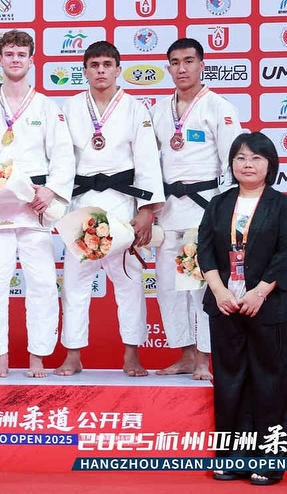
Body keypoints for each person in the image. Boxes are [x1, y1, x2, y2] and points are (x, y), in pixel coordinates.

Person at [197, 132, 287, 486]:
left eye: (256, 158)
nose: (248, 164)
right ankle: (233, 457)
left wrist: (259, 292)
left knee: (271, 385)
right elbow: (205, 250)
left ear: (270, 164)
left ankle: (270, 461)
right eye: (241, 157)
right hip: (225, 307)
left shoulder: (282, 206)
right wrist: (219, 291)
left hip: (270, 310)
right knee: (231, 384)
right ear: (231, 164)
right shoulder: (218, 204)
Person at [55, 41, 164, 377]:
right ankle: (73, 354)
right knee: (74, 283)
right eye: (94, 65)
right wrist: (59, 207)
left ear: (118, 70)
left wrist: (146, 210)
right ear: (85, 71)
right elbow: (61, 160)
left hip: (121, 205)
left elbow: (147, 161)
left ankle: (131, 354)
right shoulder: (70, 107)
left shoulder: (135, 109)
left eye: (106, 64)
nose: (101, 70)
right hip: (82, 205)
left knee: (129, 282)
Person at [0, 29, 75, 378]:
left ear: (31, 60)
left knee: (42, 283)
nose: (15, 60)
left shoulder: (46, 106)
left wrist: (52, 191)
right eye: (9, 54)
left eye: (21, 54)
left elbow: (63, 155)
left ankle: (38, 356)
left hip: (34, 206)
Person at [150, 37, 242, 380]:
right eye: (175, 62)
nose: (182, 68)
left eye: (189, 61)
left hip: (204, 210)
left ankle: (204, 359)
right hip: (168, 212)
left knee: (202, 287)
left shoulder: (219, 107)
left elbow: (233, 163)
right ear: (168, 68)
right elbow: (149, 163)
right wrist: (149, 207)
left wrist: (225, 214)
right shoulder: (159, 111)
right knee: (168, 288)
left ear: (202, 66)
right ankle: (186, 355)